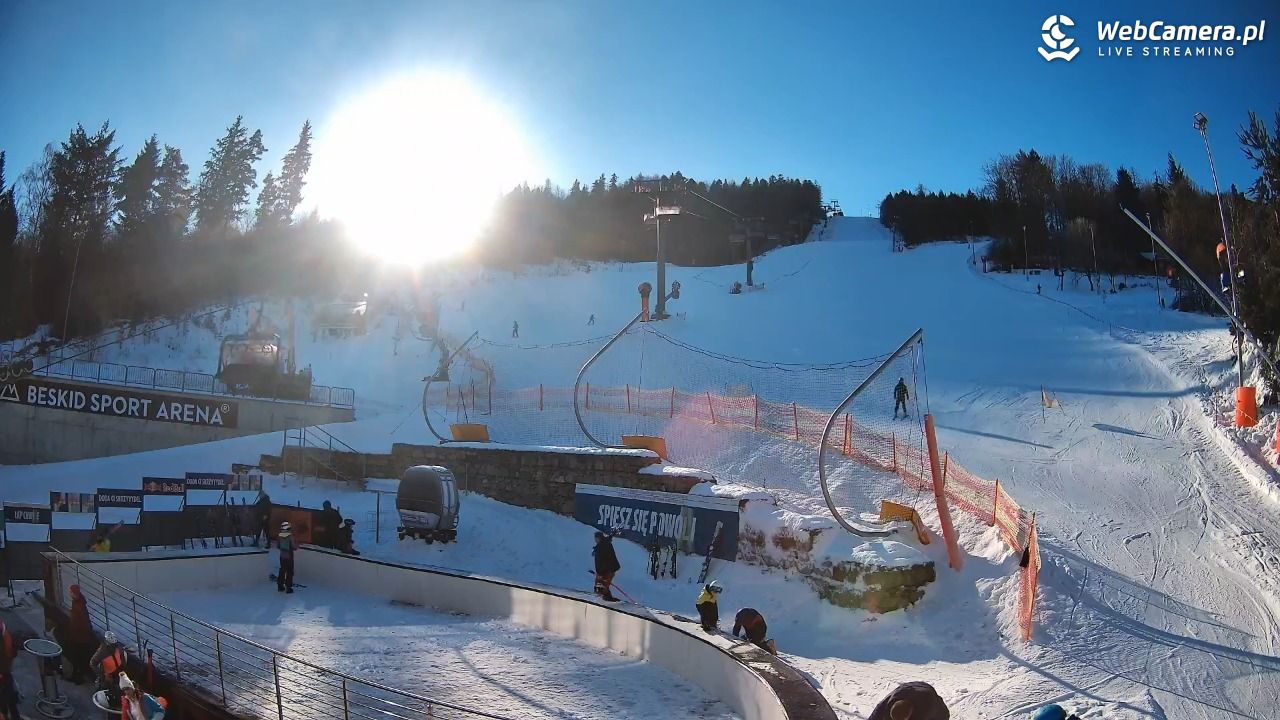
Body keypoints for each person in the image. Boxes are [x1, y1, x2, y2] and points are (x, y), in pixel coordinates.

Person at [866, 681, 950, 720]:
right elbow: (874, 717)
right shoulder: (886, 705)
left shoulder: (927, 706)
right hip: (906, 688)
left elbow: (943, 714)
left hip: (925, 691)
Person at [65, 584, 95, 683]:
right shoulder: (77, 602)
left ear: (74, 593)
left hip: (80, 637)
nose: (69, 593)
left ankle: (78, 677)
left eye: (70, 591)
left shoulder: (79, 605)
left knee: (79, 657)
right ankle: (76, 675)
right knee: (78, 657)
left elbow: (84, 621)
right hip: (78, 635)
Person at [92, 630, 128, 705]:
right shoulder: (101, 652)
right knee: (107, 688)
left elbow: (122, 658)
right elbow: (93, 663)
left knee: (122, 687)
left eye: (114, 644)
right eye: (112, 645)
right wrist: (103, 675)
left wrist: (123, 669)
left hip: (118, 671)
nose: (114, 647)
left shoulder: (118, 648)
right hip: (108, 675)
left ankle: (120, 701)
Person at [592, 531, 620, 602]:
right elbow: (607, 540)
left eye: (596, 538)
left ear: (599, 538)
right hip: (606, 569)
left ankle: (606, 597)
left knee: (602, 585)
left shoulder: (602, 546)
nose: (595, 540)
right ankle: (606, 596)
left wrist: (600, 573)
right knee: (600, 585)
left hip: (607, 569)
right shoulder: (603, 543)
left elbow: (602, 560)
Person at [277, 522, 296, 593]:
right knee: (289, 571)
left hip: (282, 556)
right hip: (289, 556)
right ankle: (288, 588)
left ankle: (280, 586)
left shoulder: (280, 535)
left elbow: (278, 546)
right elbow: (294, 546)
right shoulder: (290, 536)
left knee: (282, 570)